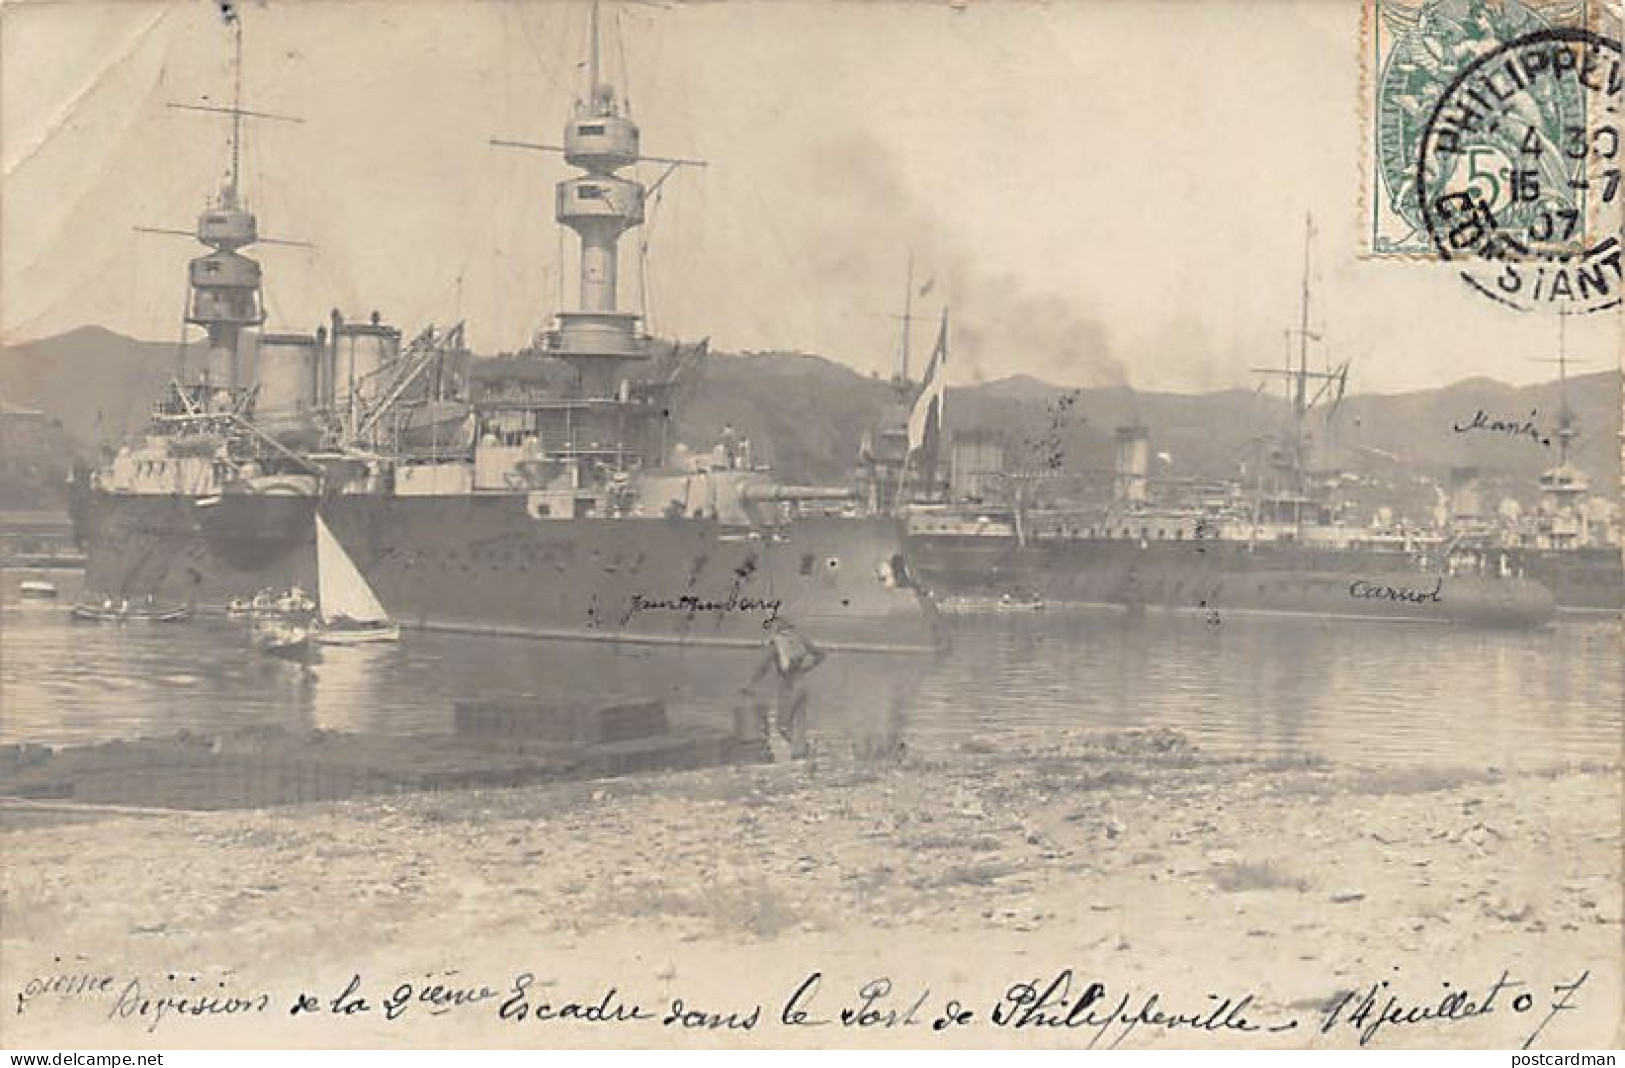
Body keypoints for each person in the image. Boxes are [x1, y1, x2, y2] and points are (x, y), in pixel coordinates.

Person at [742, 620, 826, 759]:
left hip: (789, 687)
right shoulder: (800, 639)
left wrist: (750, 684)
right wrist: (808, 667)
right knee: (798, 723)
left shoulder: (778, 644)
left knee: (782, 726)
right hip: (802, 684)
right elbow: (822, 654)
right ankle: (801, 754)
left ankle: (804, 751)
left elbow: (764, 666)